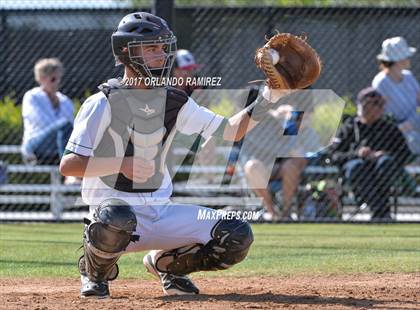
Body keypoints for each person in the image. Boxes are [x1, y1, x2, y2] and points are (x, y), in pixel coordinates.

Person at [59, 12, 287, 299]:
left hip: (160, 211)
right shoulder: (102, 102)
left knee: (237, 234)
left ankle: (166, 266)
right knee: (116, 217)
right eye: (152, 47)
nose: (162, 55)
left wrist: (271, 96)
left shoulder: (175, 99)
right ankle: (94, 273)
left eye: (164, 47)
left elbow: (230, 131)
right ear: (127, 51)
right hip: (112, 217)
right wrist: (122, 164)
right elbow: (69, 165)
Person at [330, 87, 412, 221]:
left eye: (382, 104)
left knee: (385, 162)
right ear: (362, 105)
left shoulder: (389, 128)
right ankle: (382, 212)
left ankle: (379, 212)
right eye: (375, 104)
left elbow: (405, 154)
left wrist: (384, 154)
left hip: (381, 170)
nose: (381, 108)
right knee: (357, 166)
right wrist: (357, 153)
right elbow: (334, 155)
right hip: (356, 167)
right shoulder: (350, 127)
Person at [372, 36, 420, 155]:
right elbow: (378, 113)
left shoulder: (408, 77)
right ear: (399, 60)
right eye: (406, 56)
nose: (409, 59)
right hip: (396, 130)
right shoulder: (381, 82)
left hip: (416, 122)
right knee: (413, 139)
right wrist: (400, 127)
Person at [21, 58, 74, 165]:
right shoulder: (32, 96)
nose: (57, 82)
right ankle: (71, 171)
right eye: (53, 79)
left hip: (57, 147)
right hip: (35, 146)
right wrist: (62, 125)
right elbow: (41, 122)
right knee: (65, 125)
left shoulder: (65, 100)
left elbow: (71, 128)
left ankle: (72, 169)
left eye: (59, 78)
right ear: (41, 78)